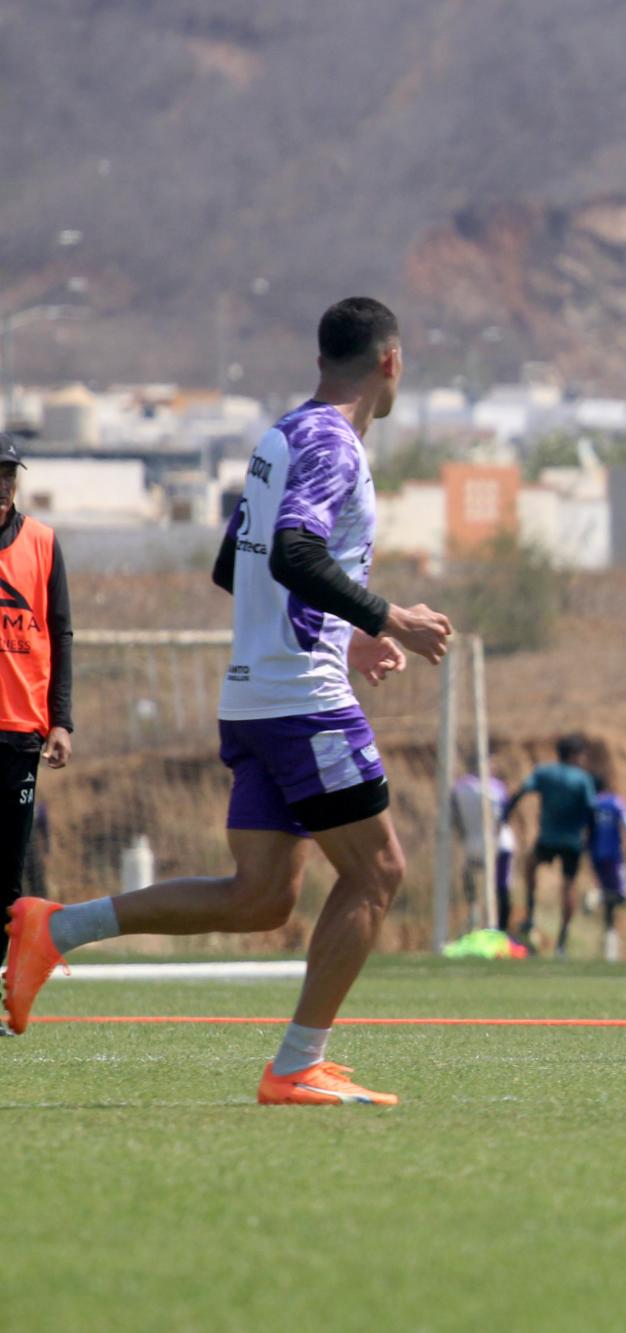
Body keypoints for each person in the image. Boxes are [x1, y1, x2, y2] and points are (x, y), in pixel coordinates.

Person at [3, 297, 454, 1105]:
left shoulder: (282, 435)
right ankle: (296, 1064)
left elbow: (233, 565)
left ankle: (55, 928)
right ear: (391, 361)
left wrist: (342, 635)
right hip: (301, 701)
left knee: (261, 895)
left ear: (321, 360)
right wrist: (387, 618)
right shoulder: (333, 443)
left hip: (255, 697)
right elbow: (292, 552)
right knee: (378, 870)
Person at [0, 433, 73, 931]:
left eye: (8, 475)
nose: (2, 486)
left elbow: (61, 633)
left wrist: (61, 721)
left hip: (22, 734)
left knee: (8, 881)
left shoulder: (42, 543)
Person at [504, 735, 597, 955]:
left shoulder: (544, 772)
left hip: (548, 838)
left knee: (530, 866)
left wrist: (506, 814)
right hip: (572, 841)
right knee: (569, 886)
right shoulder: (583, 778)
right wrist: (590, 837)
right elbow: (592, 810)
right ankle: (562, 939)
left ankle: (531, 913)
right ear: (574, 755)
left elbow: (522, 791)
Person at [449, 766, 513, 933]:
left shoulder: (459, 787)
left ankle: (474, 912)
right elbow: (504, 817)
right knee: (501, 887)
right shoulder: (497, 787)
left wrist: (465, 836)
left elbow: (455, 817)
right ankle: (501, 930)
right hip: (499, 845)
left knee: (469, 875)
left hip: (473, 845)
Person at [588, 772, 626, 961]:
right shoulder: (615, 802)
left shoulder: (591, 803)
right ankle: (597, 896)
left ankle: (611, 949)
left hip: (596, 855)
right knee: (623, 895)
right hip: (613, 856)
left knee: (610, 903)